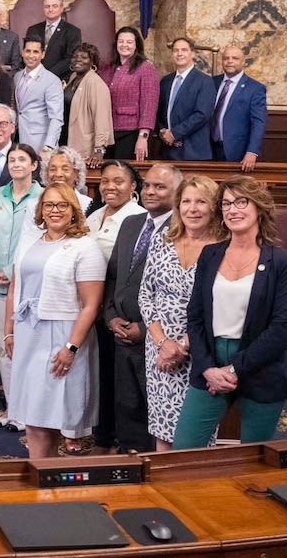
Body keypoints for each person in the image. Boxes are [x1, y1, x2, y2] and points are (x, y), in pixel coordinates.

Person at [173, 176, 287, 448]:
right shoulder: (210, 254)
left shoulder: (281, 262)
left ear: (259, 208)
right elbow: (195, 316)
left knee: (254, 462)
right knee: (182, 450)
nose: (233, 209)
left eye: (241, 202)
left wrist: (233, 369)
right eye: (226, 203)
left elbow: (283, 329)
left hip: (261, 367)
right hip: (211, 366)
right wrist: (207, 368)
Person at [5, 184, 106, 458]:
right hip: (29, 332)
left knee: (50, 417)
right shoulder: (29, 240)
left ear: (74, 210)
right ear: (40, 210)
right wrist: (9, 331)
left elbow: (90, 305)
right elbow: (16, 288)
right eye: (48, 205)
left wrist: (71, 347)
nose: (55, 211)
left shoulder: (85, 247)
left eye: (62, 205)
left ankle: (48, 482)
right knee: (33, 419)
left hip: (61, 335)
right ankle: (39, 479)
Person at [101, 162, 179, 454]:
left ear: (177, 192)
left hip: (160, 341)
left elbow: (183, 295)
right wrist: (110, 317)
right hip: (121, 332)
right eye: (147, 185)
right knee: (126, 403)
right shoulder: (132, 223)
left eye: (160, 187)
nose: (150, 191)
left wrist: (145, 330)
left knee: (154, 411)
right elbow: (114, 276)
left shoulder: (184, 230)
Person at [140, 175, 219, 450]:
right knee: (162, 431)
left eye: (201, 202)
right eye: (186, 201)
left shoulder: (222, 248)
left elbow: (220, 305)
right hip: (158, 350)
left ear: (214, 207)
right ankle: (163, 489)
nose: (192, 209)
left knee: (192, 437)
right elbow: (145, 294)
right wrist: (163, 343)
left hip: (200, 351)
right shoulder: (162, 239)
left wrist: (182, 345)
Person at [0, 142, 42, 431]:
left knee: (30, 349)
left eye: (22, 159)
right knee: (6, 348)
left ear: (34, 165)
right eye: (12, 159)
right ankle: (12, 407)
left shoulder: (44, 198)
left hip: (31, 288)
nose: (15, 164)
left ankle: (32, 412)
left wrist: (19, 275)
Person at [102, 26, 159, 162]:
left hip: (131, 133)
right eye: (121, 41)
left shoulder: (145, 68)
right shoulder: (108, 68)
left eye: (129, 42)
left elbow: (149, 105)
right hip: (108, 132)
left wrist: (143, 136)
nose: (124, 45)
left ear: (136, 45)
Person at [157, 36, 215, 161]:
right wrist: (163, 132)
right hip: (167, 150)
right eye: (176, 50)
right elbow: (159, 112)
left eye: (184, 50)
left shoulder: (205, 81)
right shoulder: (165, 81)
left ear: (192, 53)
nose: (179, 54)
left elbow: (202, 114)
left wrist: (174, 133)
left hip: (192, 151)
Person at [212, 44, 268, 171]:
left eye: (235, 58)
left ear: (243, 62)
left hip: (237, 152)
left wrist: (252, 151)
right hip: (210, 149)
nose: (230, 61)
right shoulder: (212, 82)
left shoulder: (255, 88)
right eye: (226, 58)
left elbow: (258, 122)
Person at [62, 43, 113, 167]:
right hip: (67, 140)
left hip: (85, 146)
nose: (78, 59)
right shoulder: (74, 77)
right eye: (75, 56)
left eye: (84, 57)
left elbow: (101, 118)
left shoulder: (95, 83)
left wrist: (99, 150)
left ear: (92, 62)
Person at [12, 37, 63, 156]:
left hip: (41, 144)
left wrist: (49, 145)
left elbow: (56, 118)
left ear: (42, 54)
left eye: (35, 52)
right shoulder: (17, 77)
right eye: (28, 51)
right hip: (18, 139)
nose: (31, 55)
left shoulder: (52, 80)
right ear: (23, 52)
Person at [86, 160, 145, 263]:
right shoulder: (94, 216)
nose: (110, 187)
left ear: (133, 186)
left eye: (118, 182)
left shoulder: (141, 218)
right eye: (105, 181)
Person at [25, 0, 81, 80]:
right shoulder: (33, 30)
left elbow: (70, 59)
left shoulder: (73, 31)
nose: (50, 9)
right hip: (33, 78)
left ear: (61, 8)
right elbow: (27, 54)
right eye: (47, 6)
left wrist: (47, 75)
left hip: (59, 79)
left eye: (54, 6)